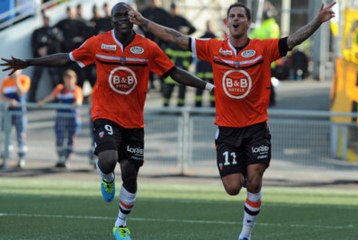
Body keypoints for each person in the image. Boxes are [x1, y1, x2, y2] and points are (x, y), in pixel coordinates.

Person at [1, 3, 213, 240]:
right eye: (118, 15)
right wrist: (29, 62)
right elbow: (66, 59)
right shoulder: (98, 42)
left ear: (134, 18)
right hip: (105, 113)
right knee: (108, 159)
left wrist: (208, 86)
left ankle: (120, 224)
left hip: (134, 121)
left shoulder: (148, 48)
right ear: (111, 20)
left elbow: (173, 72)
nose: (123, 18)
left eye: (127, 15)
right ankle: (107, 176)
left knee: (131, 174)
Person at [128, 2, 336, 239]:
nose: (236, 19)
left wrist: (317, 21)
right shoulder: (214, 48)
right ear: (227, 23)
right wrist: (144, 22)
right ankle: (247, 177)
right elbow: (177, 37)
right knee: (233, 188)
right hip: (227, 130)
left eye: (240, 16)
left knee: (255, 179)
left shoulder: (263, 49)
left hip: (256, 127)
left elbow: (293, 40)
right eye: (232, 16)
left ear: (248, 23)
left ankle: (245, 233)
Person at [37, 69, 83, 168]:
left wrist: (76, 103)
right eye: (67, 77)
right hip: (61, 119)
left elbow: (79, 101)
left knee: (71, 139)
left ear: (75, 79)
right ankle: (60, 157)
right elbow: (51, 97)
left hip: (73, 119)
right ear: (64, 79)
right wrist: (42, 102)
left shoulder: (77, 90)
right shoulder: (60, 88)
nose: (69, 80)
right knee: (60, 139)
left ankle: (67, 158)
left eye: (71, 78)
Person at [162, 2, 196, 107]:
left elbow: (193, 29)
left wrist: (185, 31)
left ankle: (180, 107)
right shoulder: (166, 19)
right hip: (170, 49)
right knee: (168, 87)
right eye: (172, 9)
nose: (174, 10)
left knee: (182, 87)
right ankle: (165, 107)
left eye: (175, 8)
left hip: (181, 48)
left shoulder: (182, 19)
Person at [0, 70, 30, 168]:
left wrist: (16, 79)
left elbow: (21, 92)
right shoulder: (5, 81)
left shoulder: (24, 79)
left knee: (21, 135)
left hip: (20, 113)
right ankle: (6, 158)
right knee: (7, 135)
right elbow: (1, 95)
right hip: (8, 113)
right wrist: (9, 101)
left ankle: (21, 158)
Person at [29, 15, 61, 102]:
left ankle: (57, 98)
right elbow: (33, 44)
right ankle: (31, 98)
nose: (46, 21)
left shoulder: (54, 31)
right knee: (35, 78)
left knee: (55, 78)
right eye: (44, 19)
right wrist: (39, 50)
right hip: (40, 59)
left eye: (47, 19)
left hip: (51, 58)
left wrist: (47, 49)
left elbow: (57, 44)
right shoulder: (37, 31)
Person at [194, 20, 216, 107]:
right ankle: (198, 105)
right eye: (208, 25)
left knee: (213, 89)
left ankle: (213, 105)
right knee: (200, 88)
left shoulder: (216, 39)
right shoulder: (201, 38)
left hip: (211, 69)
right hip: (203, 68)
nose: (209, 27)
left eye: (210, 25)